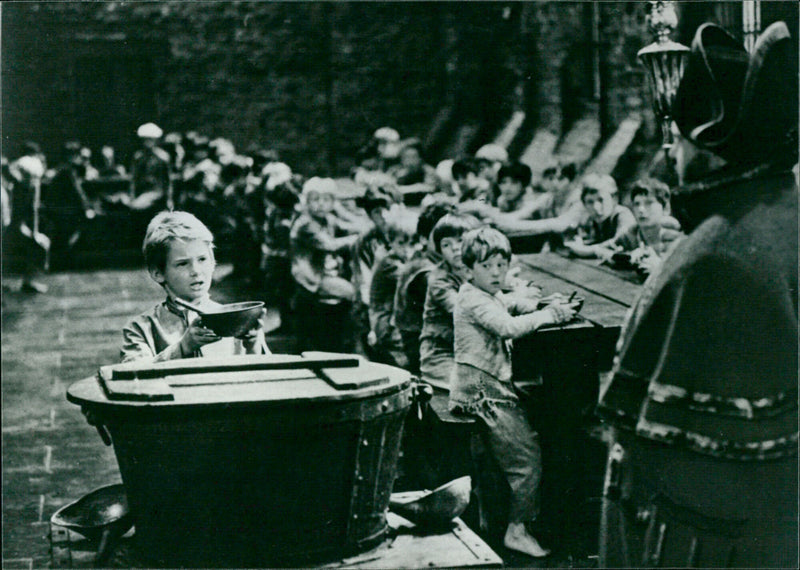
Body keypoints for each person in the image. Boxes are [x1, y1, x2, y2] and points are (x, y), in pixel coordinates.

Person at [597, 21, 798, 568]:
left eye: (680, 140)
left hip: (716, 541)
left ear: (709, 151)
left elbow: (666, 460)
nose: (673, 157)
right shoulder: (783, 214)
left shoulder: (713, 256)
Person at [450, 227, 577, 557]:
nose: (496, 273)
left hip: (486, 386)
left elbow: (509, 302)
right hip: (481, 392)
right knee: (528, 458)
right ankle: (517, 528)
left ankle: (524, 517)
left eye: (501, 265)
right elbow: (506, 326)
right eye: (487, 266)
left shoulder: (484, 293)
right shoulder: (472, 298)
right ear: (469, 268)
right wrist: (548, 315)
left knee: (538, 422)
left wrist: (540, 303)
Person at [120, 211, 269, 363]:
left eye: (202, 259)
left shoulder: (234, 320)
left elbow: (263, 374)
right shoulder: (140, 328)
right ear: (158, 273)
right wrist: (183, 347)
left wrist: (253, 346)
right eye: (183, 263)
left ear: (213, 262)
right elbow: (134, 374)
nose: (196, 271)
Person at [418, 213, 480, 389]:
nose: (454, 248)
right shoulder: (439, 280)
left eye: (460, 241)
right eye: (446, 244)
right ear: (439, 250)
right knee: (475, 389)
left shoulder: (474, 270)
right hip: (440, 356)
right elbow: (462, 310)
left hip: (468, 352)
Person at [393, 200, 454, 375]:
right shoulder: (424, 270)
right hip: (419, 349)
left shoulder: (433, 260)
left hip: (432, 338)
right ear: (424, 238)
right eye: (440, 236)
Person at [289, 177, 359, 303]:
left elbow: (350, 227)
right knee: (353, 293)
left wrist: (365, 227)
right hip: (310, 276)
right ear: (307, 201)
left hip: (323, 271)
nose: (321, 204)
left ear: (333, 203)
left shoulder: (328, 218)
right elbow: (330, 245)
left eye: (326, 199)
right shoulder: (305, 223)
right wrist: (357, 238)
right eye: (315, 199)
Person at [367, 207, 418, 368]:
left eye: (411, 243)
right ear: (390, 242)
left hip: (394, 318)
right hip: (386, 322)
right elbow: (410, 282)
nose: (407, 249)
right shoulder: (389, 263)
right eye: (401, 243)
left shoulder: (401, 260)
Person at [606, 178, 684, 276]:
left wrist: (659, 266)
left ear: (665, 208)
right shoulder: (630, 234)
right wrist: (628, 255)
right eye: (636, 204)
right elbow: (603, 250)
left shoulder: (674, 237)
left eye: (649, 203)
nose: (641, 209)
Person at [563, 174, 635, 258]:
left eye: (601, 200)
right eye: (590, 202)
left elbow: (618, 242)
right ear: (584, 204)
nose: (596, 207)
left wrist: (588, 250)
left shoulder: (623, 215)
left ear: (614, 199)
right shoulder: (590, 220)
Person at [130, 122, 173, 211]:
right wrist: (132, 197)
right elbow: (134, 179)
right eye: (145, 139)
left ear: (155, 140)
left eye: (150, 139)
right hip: (142, 192)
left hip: (158, 193)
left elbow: (168, 180)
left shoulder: (163, 157)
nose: (147, 142)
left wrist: (169, 199)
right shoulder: (138, 157)